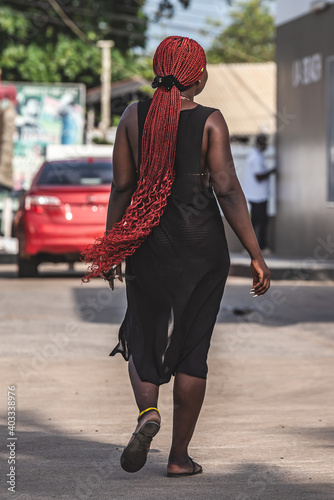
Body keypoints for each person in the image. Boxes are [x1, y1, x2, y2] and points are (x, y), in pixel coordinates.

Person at [82, 36, 270, 477]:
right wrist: (255, 253)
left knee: (144, 335)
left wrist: (113, 247)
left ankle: (148, 411)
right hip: (203, 249)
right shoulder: (210, 121)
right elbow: (227, 190)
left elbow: (122, 188)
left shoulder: (132, 116)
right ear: (199, 78)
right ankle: (179, 458)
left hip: (149, 246)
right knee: (192, 347)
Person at [243, 134, 276, 252]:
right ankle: (261, 247)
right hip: (257, 196)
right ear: (260, 143)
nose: (266, 145)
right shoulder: (255, 157)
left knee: (256, 221)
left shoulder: (257, 155)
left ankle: (251, 247)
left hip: (258, 195)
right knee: (261, 222)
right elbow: (258, 176)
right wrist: (272, 171)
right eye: (264, 143)